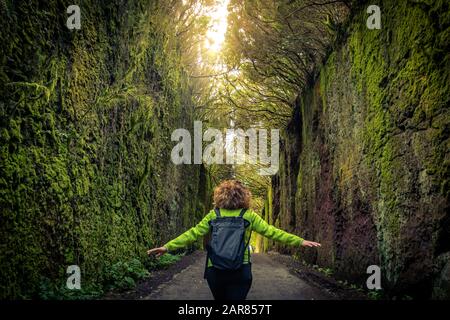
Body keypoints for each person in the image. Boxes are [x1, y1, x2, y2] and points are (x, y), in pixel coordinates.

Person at [147, 179, 321, 300]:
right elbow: (272, 232)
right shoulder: (249, 216)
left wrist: (167, 247)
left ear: (219, 196)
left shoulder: (213, 215)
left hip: (214, 270)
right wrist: (299, 241)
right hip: (241, 270)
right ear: (244, 197)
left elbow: (192, 234)